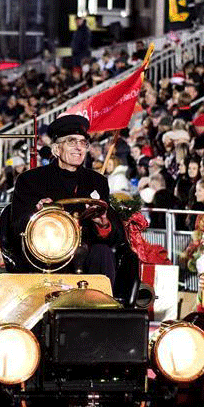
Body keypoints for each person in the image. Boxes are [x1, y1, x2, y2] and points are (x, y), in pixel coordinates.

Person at [10, 115, 121, 283]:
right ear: (56, 149)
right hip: (46, 252)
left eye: (83, 143)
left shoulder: (98, 181)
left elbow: (115, 235)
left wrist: (103, 224)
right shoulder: (31, 180)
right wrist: (38, 215)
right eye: (71, 142)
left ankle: (102, 305)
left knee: (103, 252)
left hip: (86, 252)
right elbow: (16, 227)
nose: (79, 148)